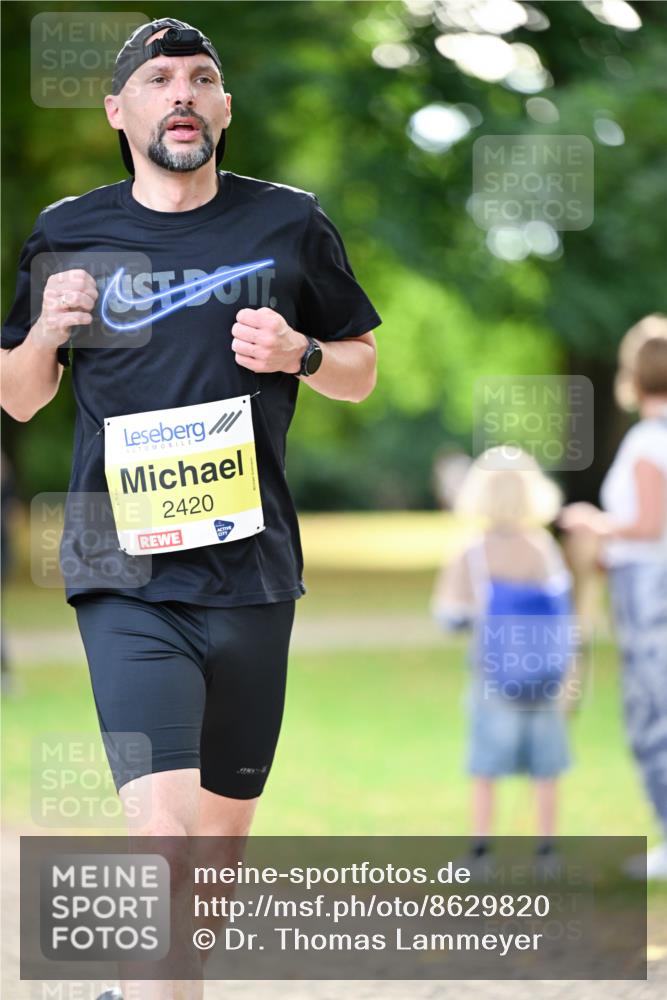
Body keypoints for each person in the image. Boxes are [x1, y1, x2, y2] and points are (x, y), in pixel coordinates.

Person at [0, 17, 381, 999]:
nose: (182, 92)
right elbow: (18, 396)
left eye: (201, 78)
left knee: (216, 847)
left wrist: (300, 351)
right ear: (116, 110)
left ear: (223, 108)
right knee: (163, 836)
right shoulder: (67, 230)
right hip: (120, 567)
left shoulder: (288, 221)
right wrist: (46, 331)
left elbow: (360, 369)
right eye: (159, 78)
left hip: (251, 568)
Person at [431, 448, 575, 870]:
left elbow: (449, 614)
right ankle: (547, 852)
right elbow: (562, 608)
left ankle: (481, 852)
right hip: (544, 676)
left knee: (486, 766)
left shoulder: (472, 551)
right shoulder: (542, 547)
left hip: (493, 675)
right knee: (546, 767)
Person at [561, 321, 667, 879]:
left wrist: (594, 524)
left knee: (653, 714)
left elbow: (648, 525)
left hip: (649, 594)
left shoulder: (649, 441)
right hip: (646, 584)